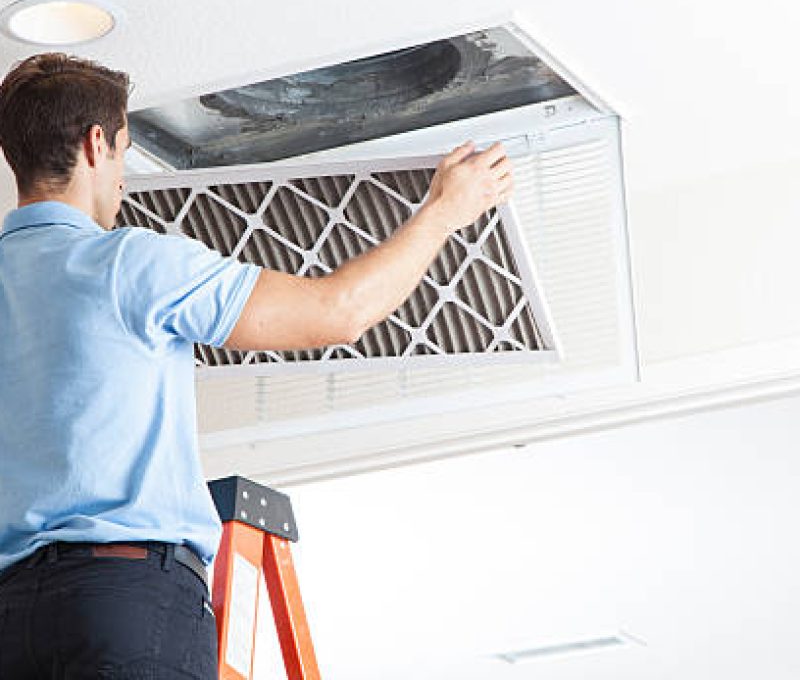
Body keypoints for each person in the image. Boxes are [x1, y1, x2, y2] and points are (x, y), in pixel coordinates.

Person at [0, 53, 513, 678]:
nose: (124, 181)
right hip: (122, 602)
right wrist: (443, 214)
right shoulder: (130, 264)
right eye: (124, 154)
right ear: (95, 144)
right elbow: (337, 312)